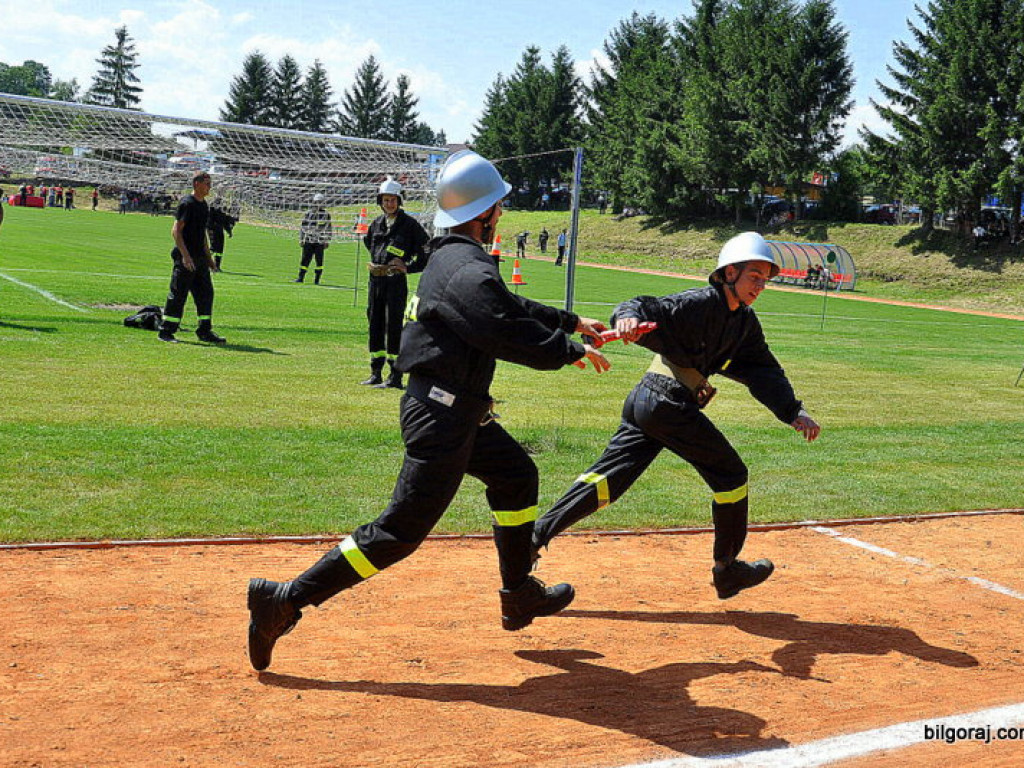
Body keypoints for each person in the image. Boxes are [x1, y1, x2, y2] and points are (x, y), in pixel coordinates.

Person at [246, 150, 612, 672]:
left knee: (514, 476)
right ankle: (284, 601)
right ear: (483, 213)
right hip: (442, 418)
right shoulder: (466, 267)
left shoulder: (452, 257)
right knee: (398, 533)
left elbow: (507, 306)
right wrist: (565, 350)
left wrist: (572, 322)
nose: (501, 216)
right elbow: (499, 326)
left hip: (455, 410)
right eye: (498, 208)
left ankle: (518, 593)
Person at [532, 231, 822, 601]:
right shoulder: (699, 302)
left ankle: (535, 536)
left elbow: (764, 371)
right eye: (754, 277)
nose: (760, 287)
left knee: (609, 481)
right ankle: (728, 569)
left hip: (649, 402)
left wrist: (792, 410)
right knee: (731, 475)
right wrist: (627, 318)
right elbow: (644, 305)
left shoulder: (744, 324)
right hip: (666, 403)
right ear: (729, 273)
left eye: (765, 280)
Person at [359, 177, 429, 389]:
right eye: (385, 200)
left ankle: (395, 375)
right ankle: (375, 371)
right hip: (376, 282)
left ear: (400, 201)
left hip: (395, 284)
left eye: (393, 200)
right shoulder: (376, 224)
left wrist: (407, 267)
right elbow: (368, 243)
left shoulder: (410, 226)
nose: (389, 204)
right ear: (379, 201)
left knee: (394, 326)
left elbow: (426, 252)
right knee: (375, 324)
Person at [157, 170, 226, 344]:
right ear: (197, 184)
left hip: (200, 259)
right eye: (207, 183)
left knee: (206, 294)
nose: (210, 186)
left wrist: (209, 257)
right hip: (185, 259)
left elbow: (202, 233)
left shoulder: (204, 206)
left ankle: (204, 330)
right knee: (178, 294)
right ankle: (166, 331)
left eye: (210, 183)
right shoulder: (187, 203)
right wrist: (185, 257)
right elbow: (176, 231)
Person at [294, 193, 332, 284]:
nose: (318, 204)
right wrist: (301, 238)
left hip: (320, 241)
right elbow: (303, 227)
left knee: (319, 261)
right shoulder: (308, 213)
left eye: (320, 202)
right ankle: (300, 278)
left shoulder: (326, 215)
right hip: (308, 240)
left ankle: (317, 280)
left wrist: (327, 240)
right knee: (305, 259)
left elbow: (329, 228)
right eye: (317, 202)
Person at [207, 197, 239, 272]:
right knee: (213, 247)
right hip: (213, 229)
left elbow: (225, 221)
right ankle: (205, 263)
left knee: (220, 249)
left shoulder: (223, 210)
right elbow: (208, 219)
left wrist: (229, 231)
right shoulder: (212, 208)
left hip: (219, 230)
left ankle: (217, 266)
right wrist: (210, 228)